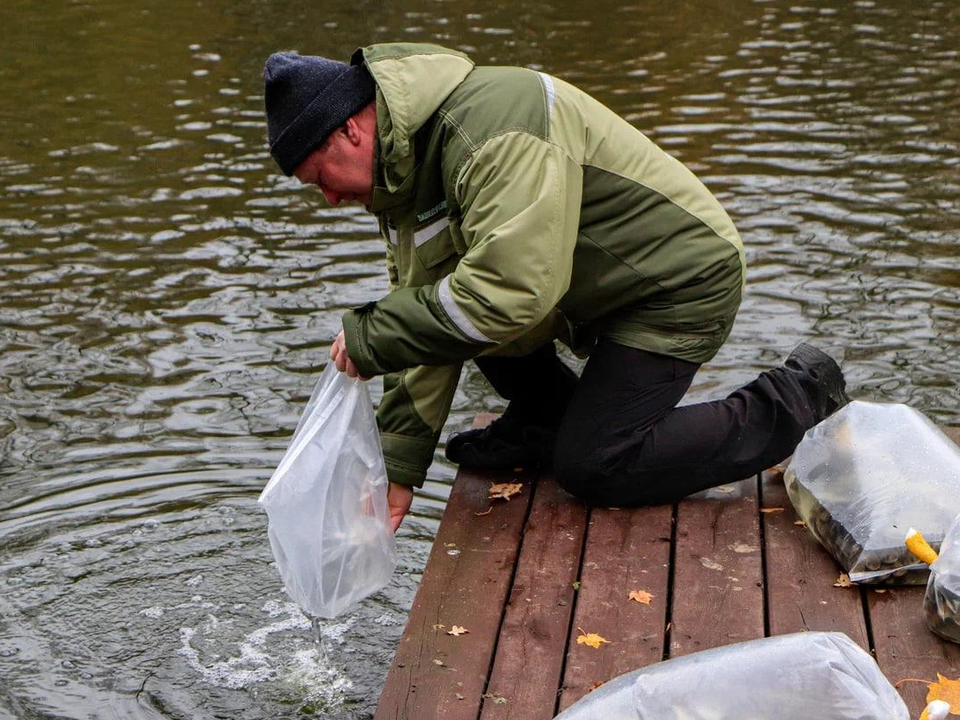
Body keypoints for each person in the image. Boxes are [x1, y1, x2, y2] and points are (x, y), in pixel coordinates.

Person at [262, 43, 849, 532]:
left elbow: (512, 293)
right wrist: (397, 468)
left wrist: (374, 334)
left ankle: (795, 398)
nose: (331, 199)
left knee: (596, 467)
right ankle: (546, 421)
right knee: (454, 314)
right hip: (590, 291)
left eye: (320, 179)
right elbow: (430, 319)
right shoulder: (403, 175)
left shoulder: (493, 129)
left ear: (350, 130)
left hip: (677, 285)